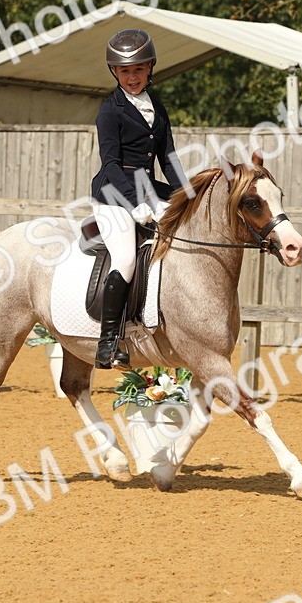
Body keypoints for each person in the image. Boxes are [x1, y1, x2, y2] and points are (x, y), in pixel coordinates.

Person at [89, 29, 184, 369]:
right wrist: (135, 204)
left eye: (139, 70)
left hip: (148, 187)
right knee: (127, 258)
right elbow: (111, 165)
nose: (132, 77)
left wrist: (186, 196)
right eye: (125, 71)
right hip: (114, 194)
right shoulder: (109, 111)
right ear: (115, 72)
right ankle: (107, 342)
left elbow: (169, 158)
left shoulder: (157, 108)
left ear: (150, 68)